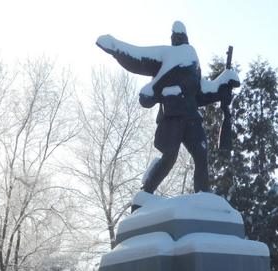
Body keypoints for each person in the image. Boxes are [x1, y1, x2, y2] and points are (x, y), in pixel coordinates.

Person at [96, 21, 239, 195]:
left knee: (201, 155)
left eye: (179, 36)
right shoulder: (165, 55)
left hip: (192, 117)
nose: (177, 38)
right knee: (170, 157)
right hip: (172, 117)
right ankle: (146, 193)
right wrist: (116, 48)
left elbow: (198, 92)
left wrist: (222, 86)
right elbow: (137, 56)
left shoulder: (193, 60)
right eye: (175, 36)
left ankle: (203, 197)